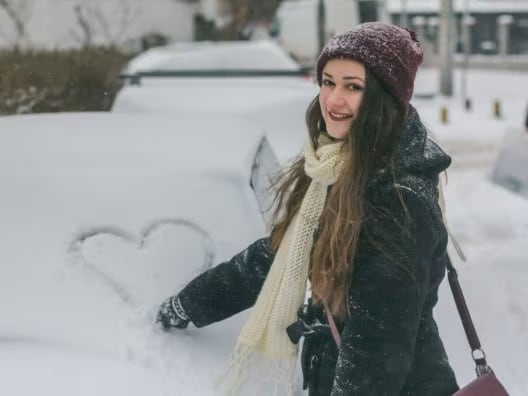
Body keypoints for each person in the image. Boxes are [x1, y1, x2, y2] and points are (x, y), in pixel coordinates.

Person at [156, 22, 460, 396]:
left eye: (353, 86)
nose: (333, 100)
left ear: (386, 98)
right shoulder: (338, 168)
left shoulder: (397, 202)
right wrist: (188, 306)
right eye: (328, 82)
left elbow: (376, 349)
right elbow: (281, 257)